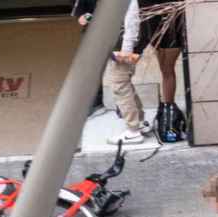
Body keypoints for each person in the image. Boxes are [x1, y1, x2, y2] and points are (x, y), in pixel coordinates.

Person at [74, 0, 153, 145]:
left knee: (119, 85)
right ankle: (139, 122)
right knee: (124, 84)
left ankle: (133, 131)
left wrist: (126, 51)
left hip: (124, 47)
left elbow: (132, 21)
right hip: (120, 45)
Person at [138, 0, 188, 141]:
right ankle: (168, 108)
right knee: (166, 71)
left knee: (167, 71)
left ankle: (169, 109)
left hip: (168, 26)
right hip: (159, 26)